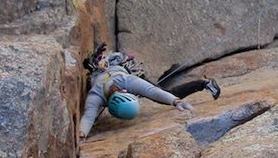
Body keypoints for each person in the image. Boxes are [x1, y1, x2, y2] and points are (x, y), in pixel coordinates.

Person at [78, 45, 220, 139]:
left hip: (124, 70)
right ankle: (204, 84)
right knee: (167, 92)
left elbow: (153, 92)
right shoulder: (99, 95)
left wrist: (175, 101)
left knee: (166, 92)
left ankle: (204, 84)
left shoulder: (122, 82)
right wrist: (82, 133)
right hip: (115, 72)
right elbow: (88, 118)